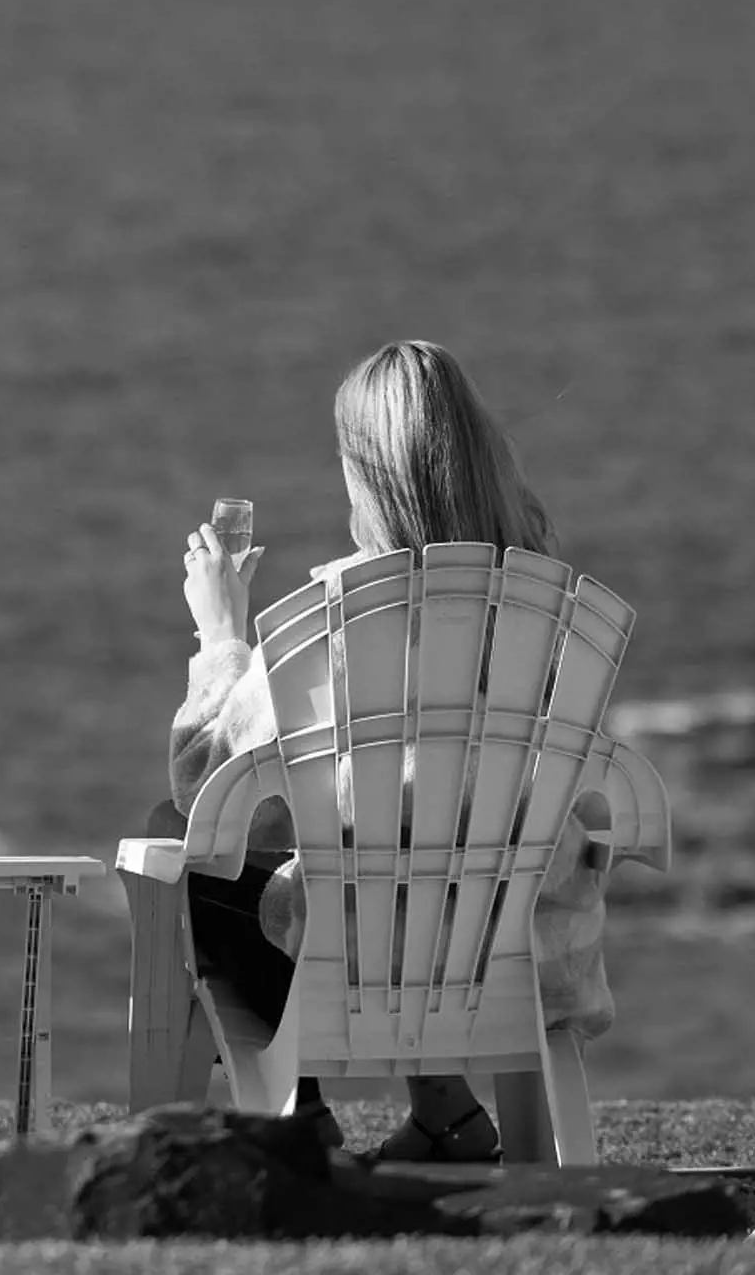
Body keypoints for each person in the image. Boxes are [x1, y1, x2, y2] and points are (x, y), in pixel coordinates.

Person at [164, 340, 616, 1163]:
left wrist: (222, 635)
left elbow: (209, 785)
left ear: (367, 474)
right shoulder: (547, 605)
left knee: (191, 855)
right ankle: (447, 1116)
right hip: (524, 942)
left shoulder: (333, 623)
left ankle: (298, 1121)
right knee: (428, 849)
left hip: (381, 961)